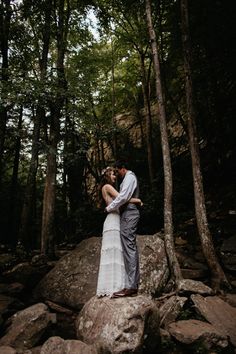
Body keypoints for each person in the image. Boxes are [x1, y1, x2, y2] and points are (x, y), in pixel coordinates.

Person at [96, 166, 142, 297]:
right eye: (112, 174)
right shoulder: (108, 187)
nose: (115, 176)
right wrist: (137, 200)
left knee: (115, 252)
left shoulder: (106, 187)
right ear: (107, 176)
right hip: (113, 219)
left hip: (114, 219)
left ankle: (114, 285)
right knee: (114, 252)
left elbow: (121, 199)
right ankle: (116, 285)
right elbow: (122, 198)